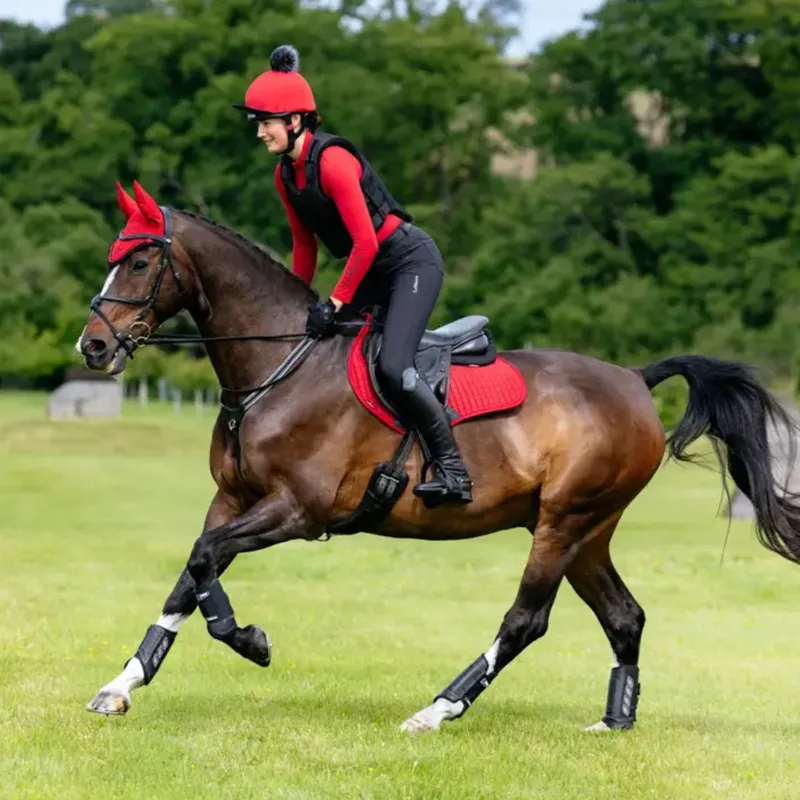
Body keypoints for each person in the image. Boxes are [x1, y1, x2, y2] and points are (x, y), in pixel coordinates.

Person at [233, 45, 472, 507]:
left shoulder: (333, 161)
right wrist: (300, 307)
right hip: (371, 269)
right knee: (327, 355)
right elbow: (304, 247)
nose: (260, 132)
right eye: (258, 123)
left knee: (392, 365)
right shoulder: (287, 176)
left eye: (266, 122)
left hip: (409, 263)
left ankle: (454, 470)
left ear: (296, 121)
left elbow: (364, 242)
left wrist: (335, 303)